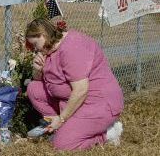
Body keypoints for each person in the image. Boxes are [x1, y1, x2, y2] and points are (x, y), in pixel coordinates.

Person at [25, 19, 124, 150]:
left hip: (98, 102)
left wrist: (61, 119)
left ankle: (108, 133)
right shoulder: (49, 49)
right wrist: (37, 70)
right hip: (72, 101)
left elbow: (81, 90)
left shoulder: (72, 47)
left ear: (42, 35)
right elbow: (43, 82)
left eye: (35, 44)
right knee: (33, 88)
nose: (34, 49)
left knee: (62, 145)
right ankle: (64, 129)